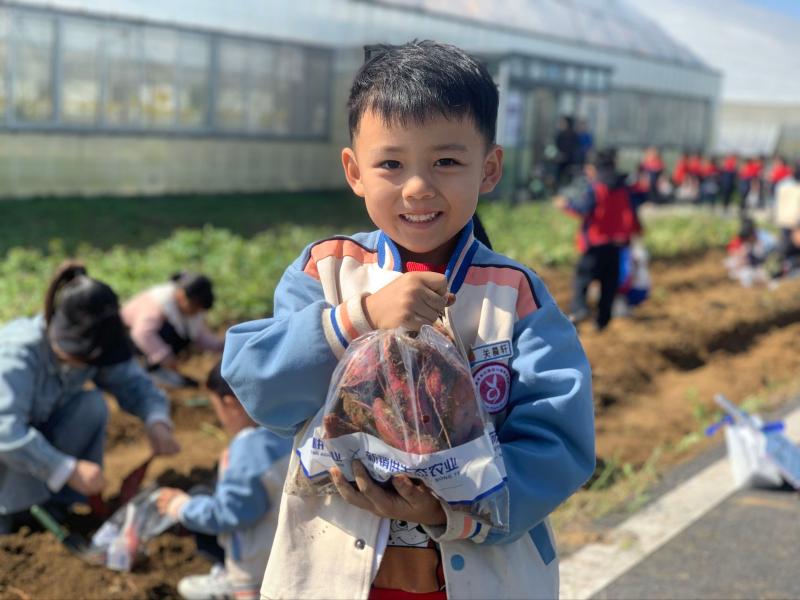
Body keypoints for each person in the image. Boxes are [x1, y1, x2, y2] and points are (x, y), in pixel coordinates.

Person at [222, 40, 594, 600]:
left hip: (482, 577)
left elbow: (559, 440)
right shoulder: (328, 270)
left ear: (489, 168)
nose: (418, 187)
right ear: (355, 171)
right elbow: (262, 386)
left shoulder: (514, 294)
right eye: (391, 164)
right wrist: (359, 319)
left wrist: (453, 506)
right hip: (332, 573)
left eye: (446, 162)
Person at [0, 261, 179, 534]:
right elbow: (6, 432)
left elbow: (132, 382)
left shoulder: (94, 343)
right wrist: (67, 469)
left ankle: (54, 505)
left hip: (31, 448)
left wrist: (156, 420)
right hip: (6, 447)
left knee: (91, 405)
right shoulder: (15, 355)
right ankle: (12, 514)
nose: (88, 366)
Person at [156, 361, 292, 600]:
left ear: (230, 404)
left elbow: (230, 513)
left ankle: (228, 582)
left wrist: (181, 507)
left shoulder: (249, 448)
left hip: (258, 566)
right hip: (292, 550)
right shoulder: (291, 429)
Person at [556, 148, 641, 330]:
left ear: (594, 168)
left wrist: (565, 205)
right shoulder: (624, 187)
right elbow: (633, 213)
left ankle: (579, 310)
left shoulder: (596, 188)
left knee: (582, 279)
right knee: (609, 284)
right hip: (616, 245)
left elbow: (584, 209)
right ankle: (603, 320)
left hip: (595, 244)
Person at [122, 272, 224, 387]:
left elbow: (198, 335)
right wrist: (166, 359)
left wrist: (221, 346)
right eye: (195, 306)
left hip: (146, 342)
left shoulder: (187, 310)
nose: (196, 311)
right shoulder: (158, 304)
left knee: (183, 335)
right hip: (127, 340)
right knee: (169, 332)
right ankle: (153, 371)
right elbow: (141, 334)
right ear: (181, 295)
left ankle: (160, 371)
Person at [554, 115, 580, 187]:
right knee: (558, 177)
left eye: (563, 122)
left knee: (570, 179)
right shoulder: (560, 135)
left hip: (571, 161)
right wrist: (559, 155)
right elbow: (557, 146)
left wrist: (567, 156)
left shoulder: (574, 135)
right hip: (560, 160)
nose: (561, 124)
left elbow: (575, 148)